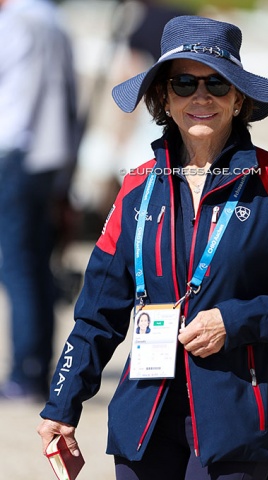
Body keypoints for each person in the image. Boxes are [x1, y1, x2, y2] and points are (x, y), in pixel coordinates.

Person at [38, 15, 268, 480]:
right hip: (144, 418)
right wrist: (63, 402)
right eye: (183, 83)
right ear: (163, 97)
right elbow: (98, 310)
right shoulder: (135, 188)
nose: (201, 97)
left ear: (239, 98)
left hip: (239, 416)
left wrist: (234, 321)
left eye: (217, 84)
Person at [0, 0, 78, 401]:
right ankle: (36, 367)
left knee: (17, 267)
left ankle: (25, 372)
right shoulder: (54, 22)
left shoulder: (17, 22)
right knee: (35, 266)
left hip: (15, 154)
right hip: (49, 160)